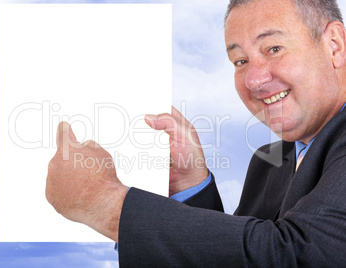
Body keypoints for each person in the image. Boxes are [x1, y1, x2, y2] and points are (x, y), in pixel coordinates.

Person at [45, 0, 346, 266]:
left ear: (334, 44)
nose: (254, 80)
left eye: (274, 49)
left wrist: (107, 205)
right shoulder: (269, 163)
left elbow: (300, 255)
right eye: (240, 61)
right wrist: (192, 187)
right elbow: (236, 257)